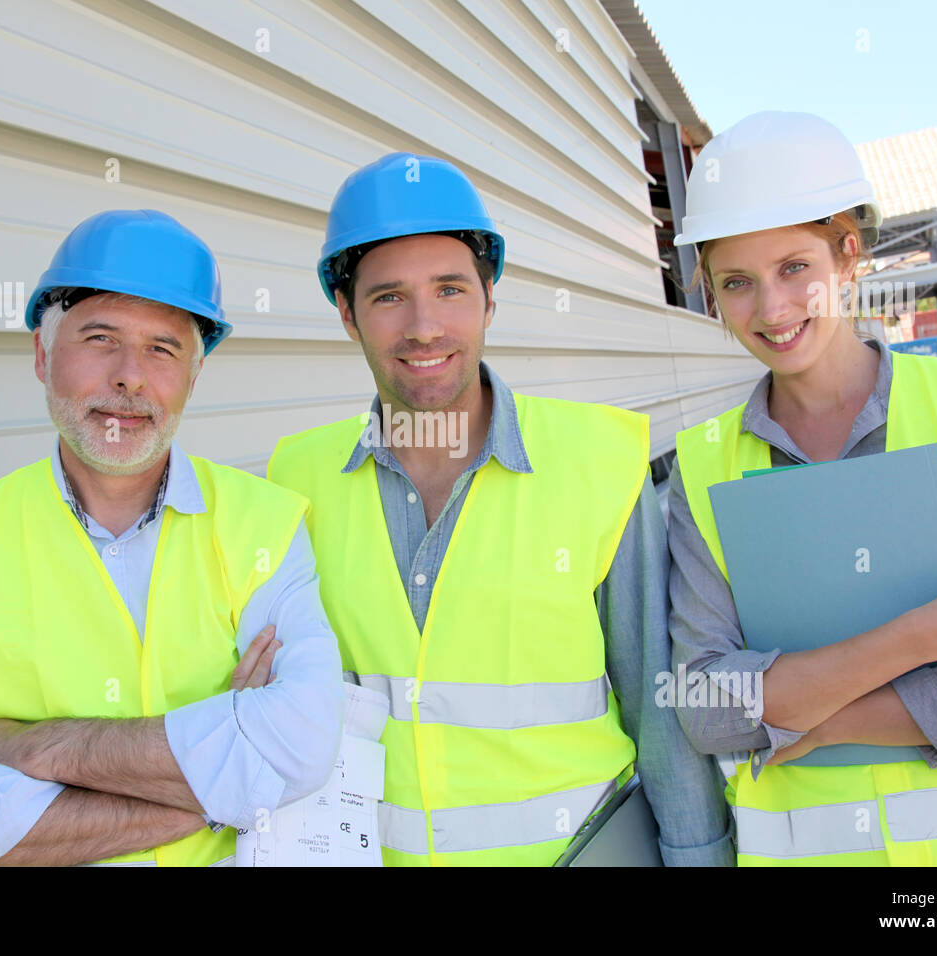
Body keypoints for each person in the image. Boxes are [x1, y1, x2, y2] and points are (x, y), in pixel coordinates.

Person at [267, 153, 734, 866]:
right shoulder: (295, 479)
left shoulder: (598, 459)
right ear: (346, 314)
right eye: (389, 296)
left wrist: (698, 857)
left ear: (490, 299)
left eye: (450, 289)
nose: (425, 327)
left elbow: (659, 709)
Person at [0, 209, 344, 866]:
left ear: (194, 378)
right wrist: (219, 778)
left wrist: (41, 750)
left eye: (163, 349)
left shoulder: (266, 523)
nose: (130, 377)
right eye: (99, 338)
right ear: (41, 354)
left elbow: (302, 747)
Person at [667, 111, 937, 866]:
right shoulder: (701, 467)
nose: (772, 310)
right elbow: (707, 711)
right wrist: (934, 635)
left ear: (848, 256)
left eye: (794, 269)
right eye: (737, 284)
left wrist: (824, 717)